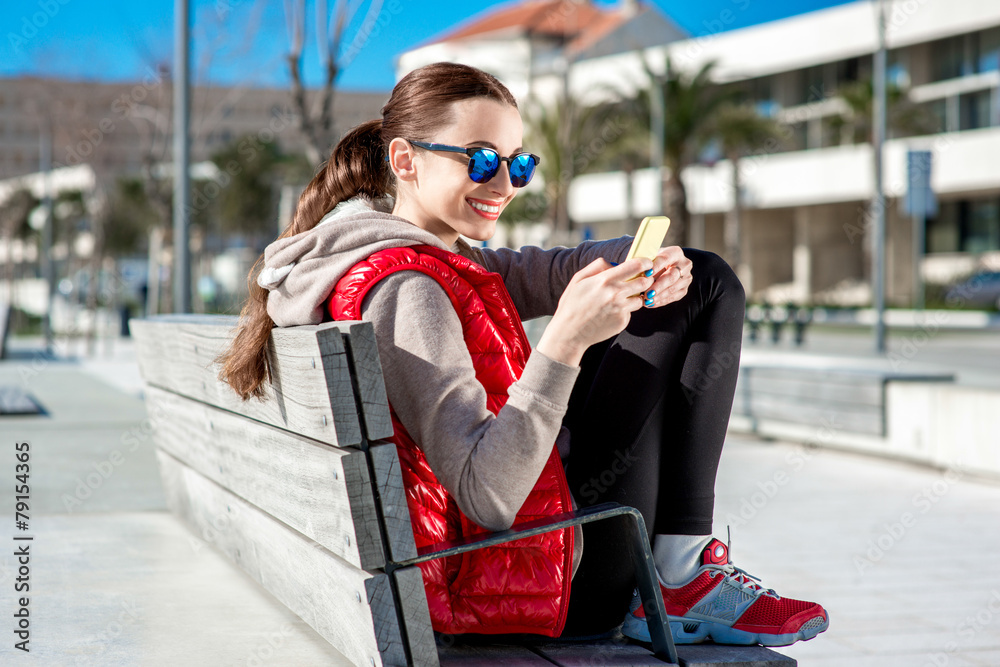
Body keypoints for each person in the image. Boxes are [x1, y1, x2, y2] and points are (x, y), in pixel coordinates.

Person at [217, 61, 829, 647]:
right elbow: (488, 497)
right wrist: (564, 343)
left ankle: (677, 571)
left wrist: (641, 262)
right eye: (481, 160)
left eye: (519, 163)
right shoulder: (409, 292)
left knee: (693, 278)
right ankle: (678, 572)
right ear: (404, 159)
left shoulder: (412, 257)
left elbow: (547, 269)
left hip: (507, 566)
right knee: (713, 282)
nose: (504, 183)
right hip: (531, 584)